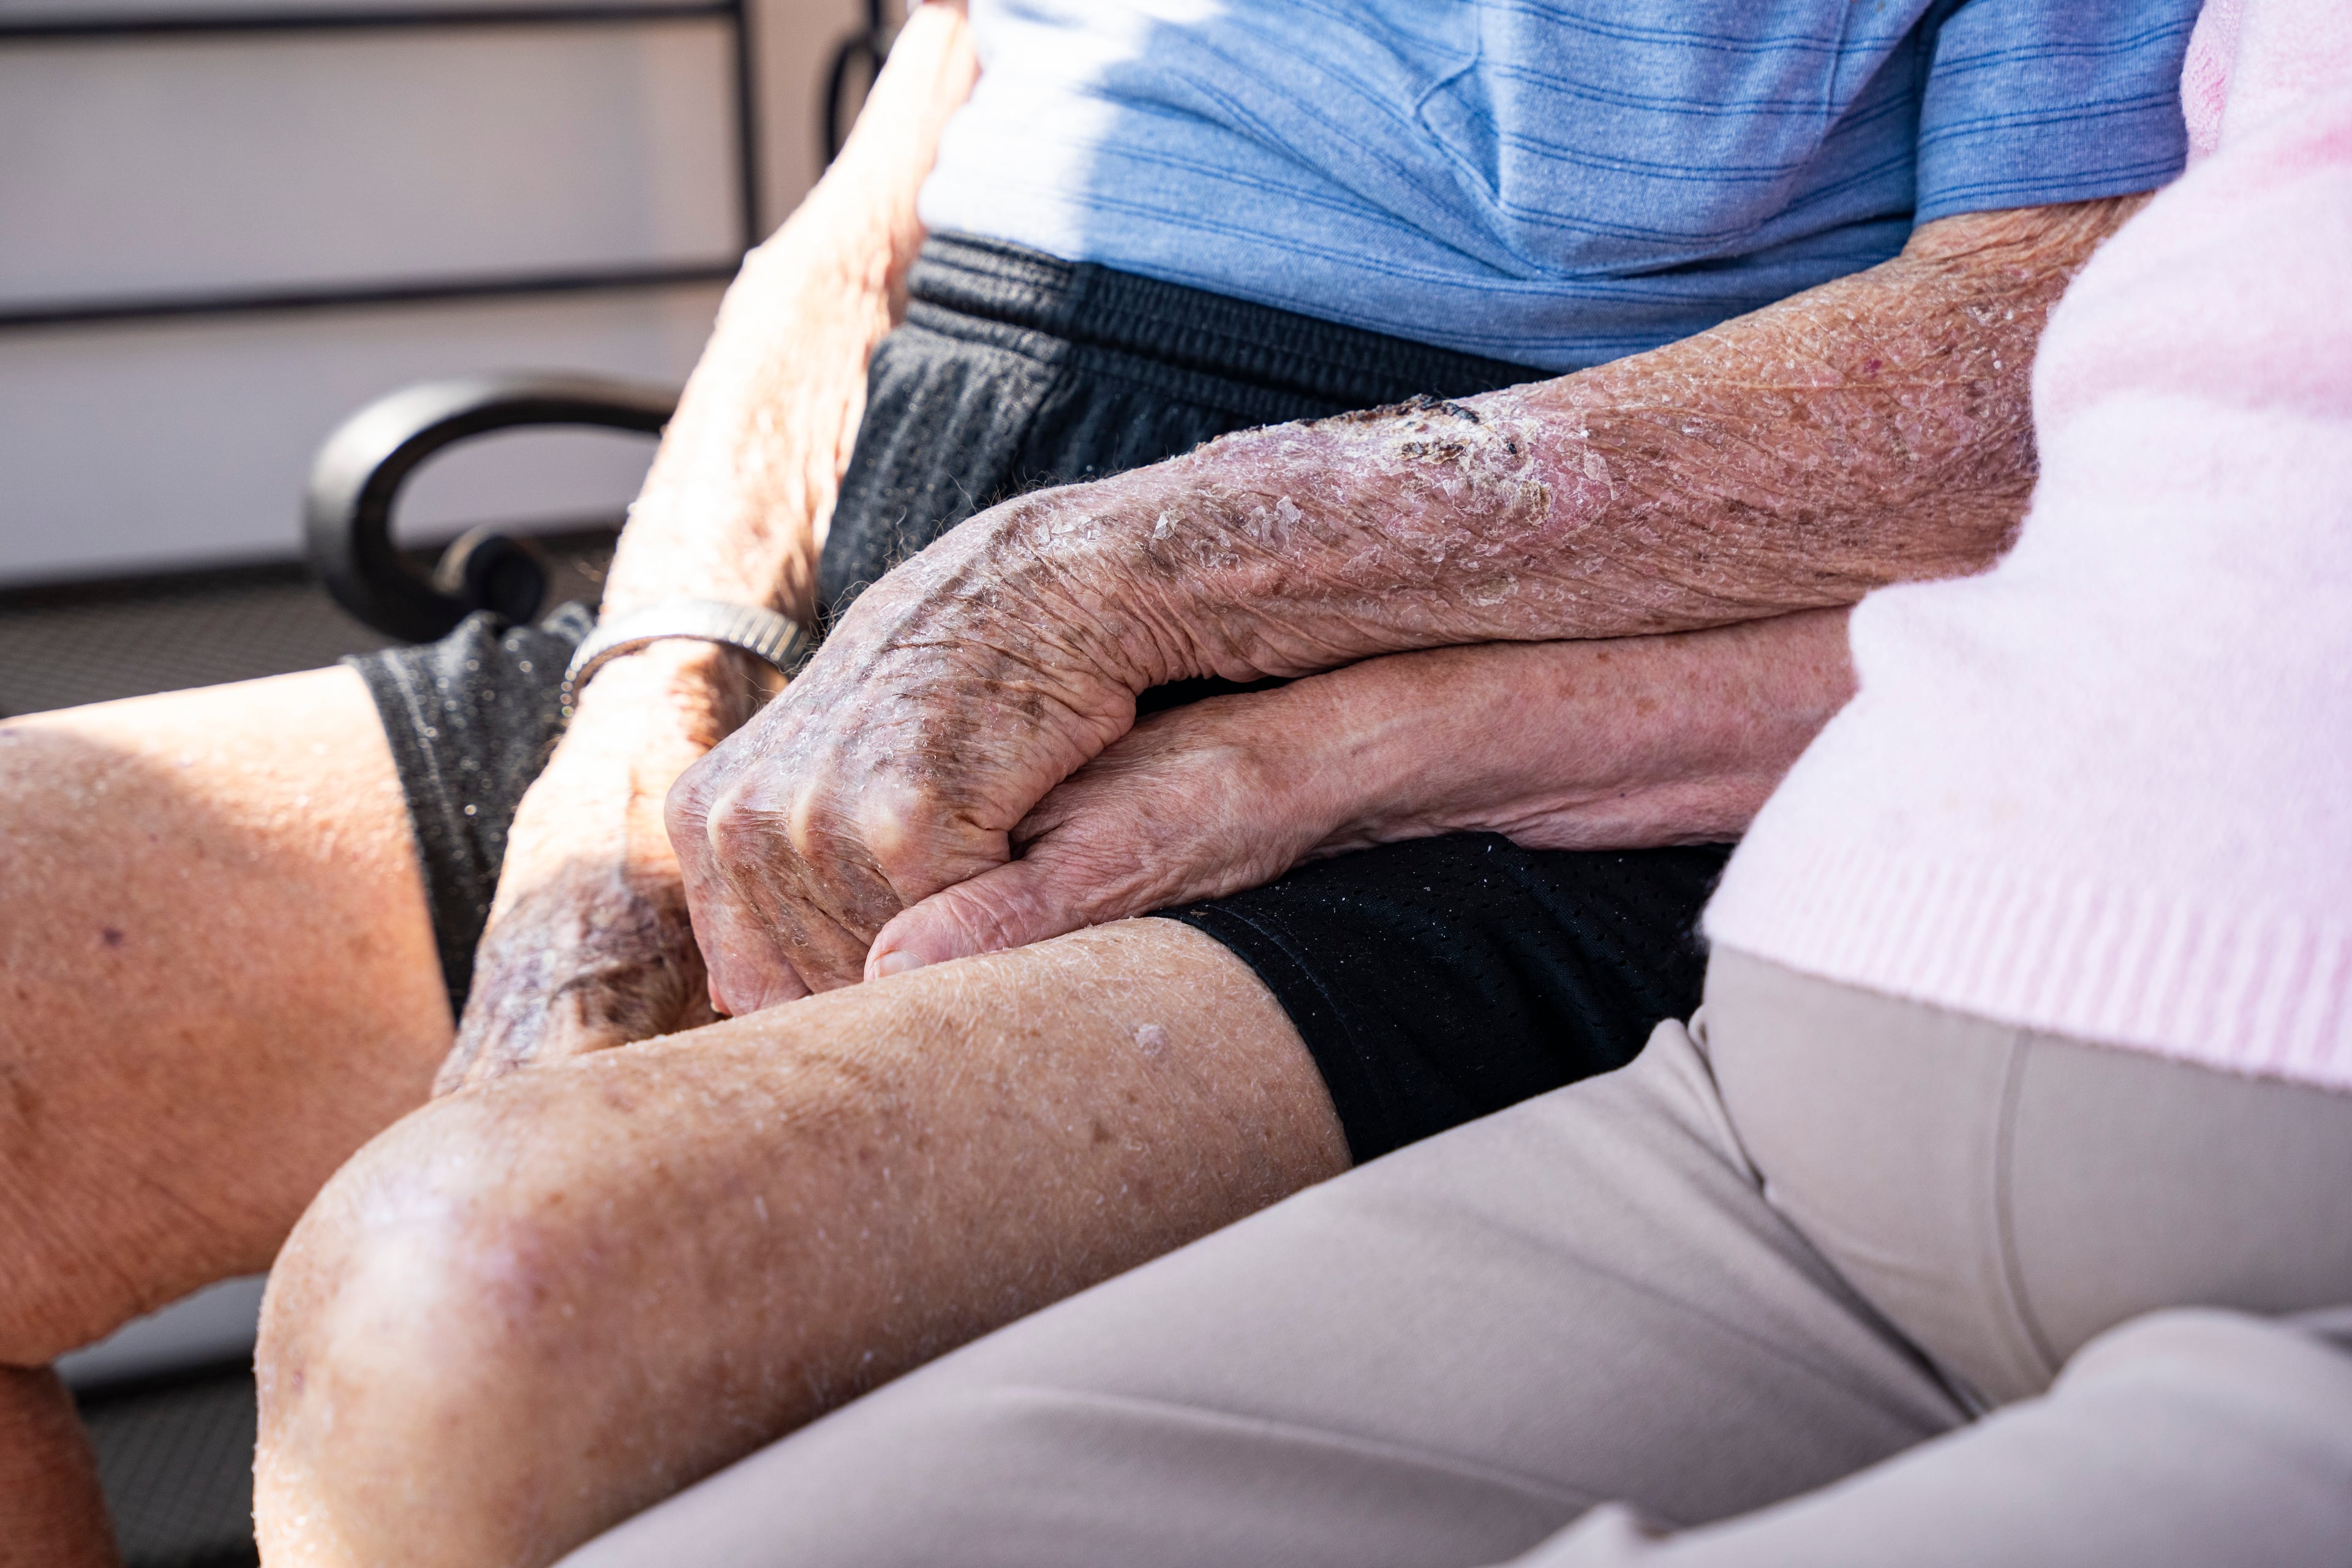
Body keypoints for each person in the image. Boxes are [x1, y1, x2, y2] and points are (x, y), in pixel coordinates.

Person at [0, 4, 2194, 1566]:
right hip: (853, 619)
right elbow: (856, 233)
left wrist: (1128, 573)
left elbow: (2046, 357)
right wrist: (626, 762)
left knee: (480, 1299)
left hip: (1477, 726)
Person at [545, 1, 2352, 1559]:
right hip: (1800, 1076)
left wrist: (1257, 693)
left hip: (1586, 659)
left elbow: (2001, 391)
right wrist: (645, 699)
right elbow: (2160, 510)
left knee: (503, 1283)